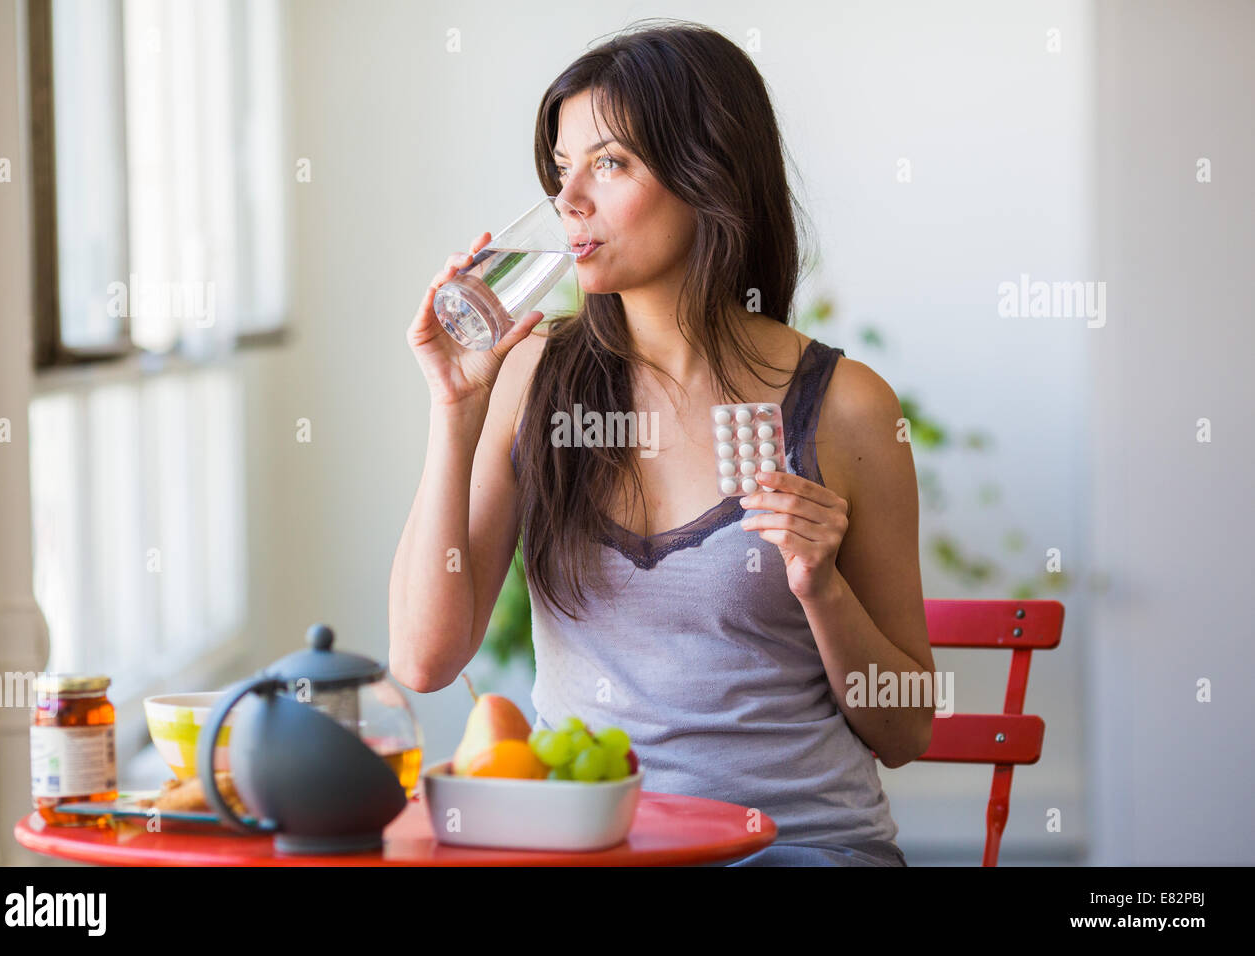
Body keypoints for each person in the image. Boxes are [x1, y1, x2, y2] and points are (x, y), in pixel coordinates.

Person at [389, 19, 934, 867]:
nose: (571, 200)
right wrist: (454, 413)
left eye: (610, 163)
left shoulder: (845, 405)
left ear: (707, 171)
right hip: (595, 847)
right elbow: (424, 661)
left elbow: (904, 731)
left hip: (799, 850)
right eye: (562, 170)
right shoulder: (532, 375)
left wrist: (822, 589)